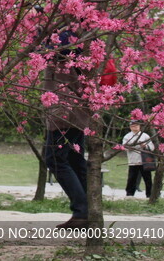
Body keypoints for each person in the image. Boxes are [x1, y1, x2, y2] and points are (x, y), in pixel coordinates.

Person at [41, 29, 91, 229]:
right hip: (78, 112)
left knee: (54, 159)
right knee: (75, 160)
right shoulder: (82, 43)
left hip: (63, 113)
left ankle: (81, 211)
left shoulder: (62, 46)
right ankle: (84, 212)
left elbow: (48, 47)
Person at [121, 121, 154, 198]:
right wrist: (132, 146)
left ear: (139, 126)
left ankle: (150, 195)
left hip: (145, 161)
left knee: (148, 179)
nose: (134, 128)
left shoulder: (145, 136)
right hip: (133, 161)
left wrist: (144, 146)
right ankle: (129, 194)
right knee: (132, 178)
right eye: (132, 126)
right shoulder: (127, 136)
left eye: (136, 126)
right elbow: (124, 147)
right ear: (130, 127)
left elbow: (152, 147)